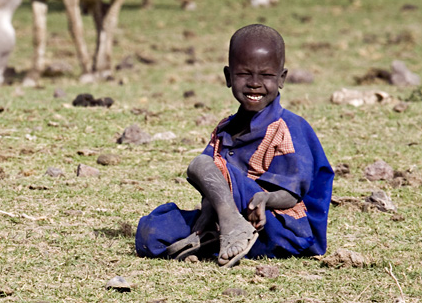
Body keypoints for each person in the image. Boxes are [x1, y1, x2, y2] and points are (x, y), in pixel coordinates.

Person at [135, 24, 334, 268]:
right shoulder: (224, 129)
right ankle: (217, 235)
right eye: (244, 74)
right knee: (151, 232)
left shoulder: (288, 128)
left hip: (282, 227)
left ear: (282, 78)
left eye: (266, 75)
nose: (254, 83)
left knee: (201, 164)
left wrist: (263, 199)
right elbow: (215, 186)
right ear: (229, 77)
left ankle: (228, 229)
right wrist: (210, 213)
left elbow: (292, 195)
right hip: (234, 223)